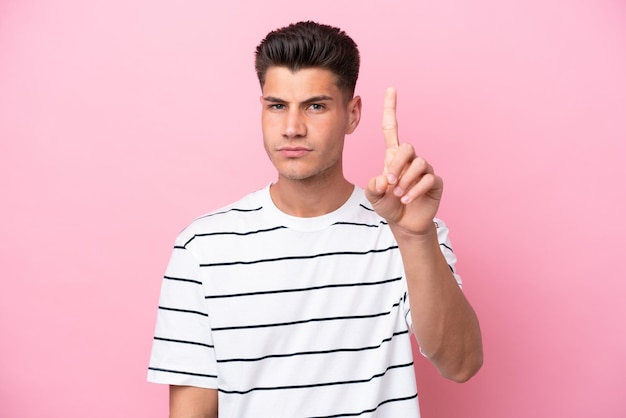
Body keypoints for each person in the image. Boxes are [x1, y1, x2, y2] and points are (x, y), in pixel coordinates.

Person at [148, 21, 482, 417]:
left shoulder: (410, 231)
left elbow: (461, 364)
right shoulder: (202, 248)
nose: (292, 128)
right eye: (277, 106)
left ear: (352, 114)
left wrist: (415, 238)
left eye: (316, 105)